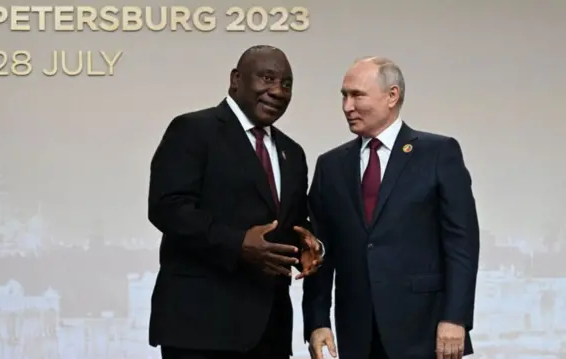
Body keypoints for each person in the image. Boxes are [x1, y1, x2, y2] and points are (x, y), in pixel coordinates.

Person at [148, 45, 324, 359]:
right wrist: (237, 243)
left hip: (269, 331)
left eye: (286, 84)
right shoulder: (193, 130)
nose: (277, 91)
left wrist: (307, 245)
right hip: (200, 328)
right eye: (267, 78)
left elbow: (290, 222)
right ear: (235, 80)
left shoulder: (292, 152)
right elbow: (168, 208)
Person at [302, 56, 480, 359]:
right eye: (344, 96)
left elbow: (461, 243)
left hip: (424, 331)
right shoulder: (330, 165)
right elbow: (319, 250)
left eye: (357, 95)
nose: (347, 106)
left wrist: (455, 317)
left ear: (392, 96)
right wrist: (317, 321)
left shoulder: (438, 153)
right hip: (356, 332)